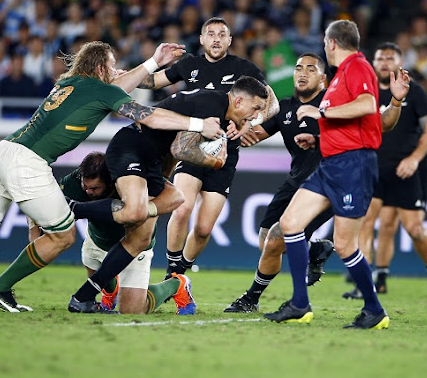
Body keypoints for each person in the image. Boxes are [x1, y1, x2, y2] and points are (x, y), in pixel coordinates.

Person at [0, 40, 223, 313]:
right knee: (62, 236)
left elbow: (118, 85)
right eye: (112, 62)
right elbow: (148, 116)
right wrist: (197, 125)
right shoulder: (101, 90)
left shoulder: (73, 83)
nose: (116, 68)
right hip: (27, 162)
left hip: (3, 151)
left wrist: (152, 63)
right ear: (102, 67)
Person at [67, 76, 268, 313]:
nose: (255, 116)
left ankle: (85, 296)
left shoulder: (218, 109)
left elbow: (172, 151)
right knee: (135, 210)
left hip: (152, 162)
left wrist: (161, 177)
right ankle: (73, 209)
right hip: (132, 146)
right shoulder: (211, 106)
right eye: (254, 109)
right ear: (238, 101)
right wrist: (215, 163)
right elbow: (180, 149)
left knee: (155, 222)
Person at [263, 20, 408, 329]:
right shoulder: (343, 75)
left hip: (353, 165)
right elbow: (358, 122)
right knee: (289, 223)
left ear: (331, 43)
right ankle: (299, 303)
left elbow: (368, 105)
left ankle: (374, 309)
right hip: (331, 162)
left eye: (325, 44)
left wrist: (322, 113)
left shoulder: (357, 66)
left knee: (344, 245)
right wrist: (319, 138)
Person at [136, 17, 280, 278]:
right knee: (181, 210)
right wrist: (127, 75)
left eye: (222, 34)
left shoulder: (244, 68)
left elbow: (272, 104)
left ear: (229, 41)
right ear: (201, 39)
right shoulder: (189, 64)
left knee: (203, 229)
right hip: (191, 146)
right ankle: (172, 272)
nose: (216, 38)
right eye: (210, 34)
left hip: (226, 153)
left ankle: (181, 270)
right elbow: (153, 82)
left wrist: (249, 124)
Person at [223, 53, 335, 313]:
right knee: (266, 243)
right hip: (294, 182)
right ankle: (315, 249)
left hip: (325, 183)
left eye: (311, 69)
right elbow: (254, 134)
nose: (302, 73)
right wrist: (235, 129)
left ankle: (251, 299)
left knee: (276, 239)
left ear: (323, 79)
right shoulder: (285, 107)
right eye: (298, 68)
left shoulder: (331, 106)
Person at [345, 42, 427, 301]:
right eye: (380, 58)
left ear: (400, 62)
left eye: (390, 58)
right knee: (366, 223)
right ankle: (364, 282)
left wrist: (415, 159)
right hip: (374, 167)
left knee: (414, 229)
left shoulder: (414, 92)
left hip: (407, 170)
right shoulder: (366, 92)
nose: (383, 62)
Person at [31, 152, 193, 314]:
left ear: (110, 181)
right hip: (97, 243)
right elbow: (44, 202)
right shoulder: (75, 181)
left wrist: (144, 210)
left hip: (134, 247)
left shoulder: (130, 178)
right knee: (103, 282)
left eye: (94, 188)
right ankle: (110, 292)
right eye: (85, 187)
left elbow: (177, 196)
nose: (88, 192)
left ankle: (177, 284)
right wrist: (34, 230)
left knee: (133, 310)